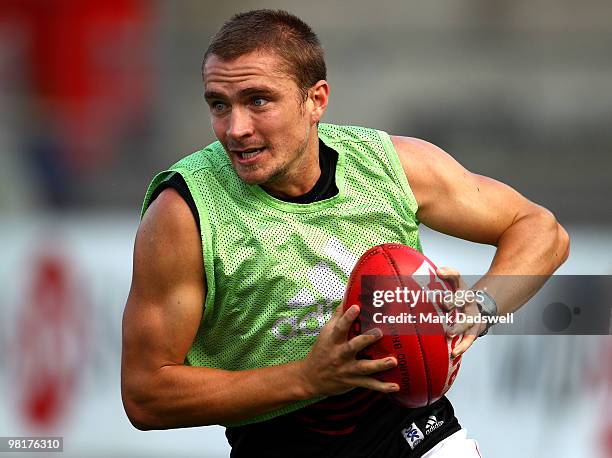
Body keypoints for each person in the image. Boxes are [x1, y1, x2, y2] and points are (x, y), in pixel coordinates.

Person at [121, 9, 569, 457]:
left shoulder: (388, 165)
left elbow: (541, 231)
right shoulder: (183, 212)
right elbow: (145, 395)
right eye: (219, 104)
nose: (235, 129)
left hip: (415, 432)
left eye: (258, 100)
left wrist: (480, 305)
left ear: (316, 100)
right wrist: (306, 378)